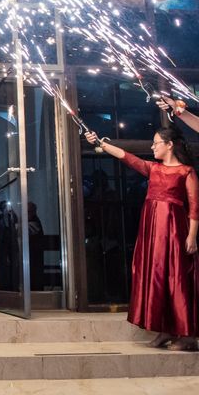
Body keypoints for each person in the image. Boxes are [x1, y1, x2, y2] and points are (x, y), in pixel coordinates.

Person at [85, 127, 199, 351]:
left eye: (156, 143)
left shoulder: (186, 172)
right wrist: (100, 142)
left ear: (169, 145)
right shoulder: (154, 169)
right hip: (153, 233)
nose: (152, 147)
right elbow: (127, 157)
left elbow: (195, 207)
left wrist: (192, 236)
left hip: (175, 232)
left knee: (175, 280)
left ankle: (186, 334)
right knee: (156, 278)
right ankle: (164, 329)